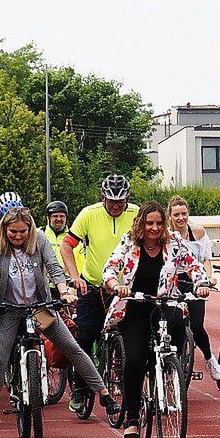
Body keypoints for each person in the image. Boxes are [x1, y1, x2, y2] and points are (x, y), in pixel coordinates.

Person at [0, 207, 119, 436]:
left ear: (30, 229)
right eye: (13, 232)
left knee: (71, 346)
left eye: (23, 231)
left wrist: (64, 291)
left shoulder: (40, 240)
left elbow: (55, 267)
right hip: (8, 309)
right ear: (5, 230)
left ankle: (103, 393)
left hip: (40, 307)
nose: (18, 236)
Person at [102, 202, 210, 438]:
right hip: (136, 305)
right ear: (141, 223)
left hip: (165, 302)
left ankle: (168, 365)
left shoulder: (174, 241)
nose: (154, 228)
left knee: (179, 324)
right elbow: (110, 268)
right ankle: (132, 419)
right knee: (135, 359)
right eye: (149, 223)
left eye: (159, 223)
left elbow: (194, 265)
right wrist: (115, 285)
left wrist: (201, 283)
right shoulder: (130, 242)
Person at [60, 174, 139, 413]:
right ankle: (80, 387)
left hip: (125, 289)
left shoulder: (136, 214)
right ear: (102, 198)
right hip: (93, 286)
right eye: (111, 201)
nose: (116, 206)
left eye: (120, 201)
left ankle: (129, 387)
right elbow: (66, 245)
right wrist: (75, 276)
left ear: (127, 198)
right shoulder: (89, 214)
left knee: (132, 338)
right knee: (85, 336)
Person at [168, 195, 220, 381]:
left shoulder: (198, 233)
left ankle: (209, 358)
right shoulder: (165, 235)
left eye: (184, 214)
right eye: (176, 215)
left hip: (195, 280)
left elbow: (205, 259)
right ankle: (173, 364)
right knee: (172, 324)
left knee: (197, 325)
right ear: (170, 216)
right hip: (172, 281)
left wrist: (207, 279)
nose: (181, 218)